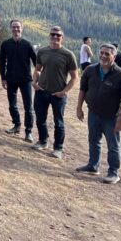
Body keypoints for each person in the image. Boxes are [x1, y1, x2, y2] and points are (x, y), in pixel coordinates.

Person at [76, 43, 121, 184]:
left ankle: (113, 172)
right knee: (93, 140)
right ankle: (93, 166)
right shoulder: (90, 70)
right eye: (101, 52)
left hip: (111, 117)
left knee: (113, 145)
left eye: (107, 54)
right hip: (93, 113)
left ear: (114, 56)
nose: (103, 56)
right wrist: (79, 108)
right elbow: (83, 90)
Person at [31, 26, 78, 159]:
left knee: (59, 122)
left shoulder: (68, 55)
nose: (55, 37)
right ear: (49, 36)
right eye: (53, 34)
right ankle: (42, 141)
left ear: (62, 38)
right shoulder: (42, 52)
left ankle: (58, 148)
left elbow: (75, 77)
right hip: (42, 91)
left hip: (58, 95)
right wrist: (34, 82)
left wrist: (64, 92)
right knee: (40, 119)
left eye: (58, 35)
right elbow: (38, 69)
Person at [0, 19, 37, 142]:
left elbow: (36, 63)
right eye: (14, 27)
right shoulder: (5, 44)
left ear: (22, 28)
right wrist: (3, 78)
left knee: (28, 107)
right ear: (11, 28)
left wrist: (37, 77)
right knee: (12, 105)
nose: (16, 29)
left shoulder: (28, 44)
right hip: (10, 79)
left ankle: (28, 132)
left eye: (18, 27)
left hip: (25, 79)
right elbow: (2, 62)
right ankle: (16, 125)